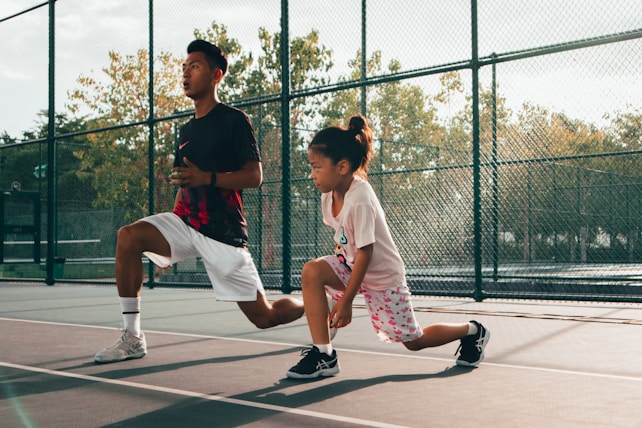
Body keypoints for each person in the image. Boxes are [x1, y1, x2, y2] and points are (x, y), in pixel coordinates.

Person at [95, 39, 304, 364]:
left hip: (223, 232)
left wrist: (208, 178)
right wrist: (170, 231)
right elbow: (185, 180)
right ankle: (132, 337)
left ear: (216, 75)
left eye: (194, 66)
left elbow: (254, 176)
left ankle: (316, 302)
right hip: (185, 222)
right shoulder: (186, 130)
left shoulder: (236, 120)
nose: (186, 72)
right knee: (129, 236)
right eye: (184, 67)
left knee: (266, 316)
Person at [285, 115, 490, 379]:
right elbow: (345, 237)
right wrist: (336, 274)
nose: (312, 174)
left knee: (413, 341)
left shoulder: (360, 197)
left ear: (342, 167)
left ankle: (473, 331)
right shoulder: (330, 193)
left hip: (382, 277)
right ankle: (324, 355)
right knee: (313, 271)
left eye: (316, 167)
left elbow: (366, 253)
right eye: (311, 167)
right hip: (352, 266)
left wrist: (346, 300)